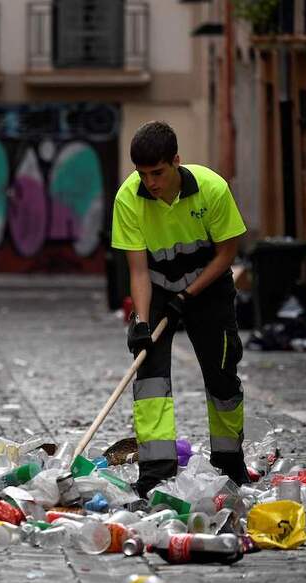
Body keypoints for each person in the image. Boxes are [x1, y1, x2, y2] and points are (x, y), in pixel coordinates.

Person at [111, 121, 250, 498]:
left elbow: (227, 254)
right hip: (156, 287)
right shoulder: (129, 198)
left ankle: (229, 460)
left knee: (221, 372)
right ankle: (156, 469)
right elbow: (138, 270)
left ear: (176, 162)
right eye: (143, 174)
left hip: (208, 286)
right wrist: (141, 321)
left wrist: (188, 295)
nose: (151, 182)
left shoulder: (212, 189)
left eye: (157, 173)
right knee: (150, 373)